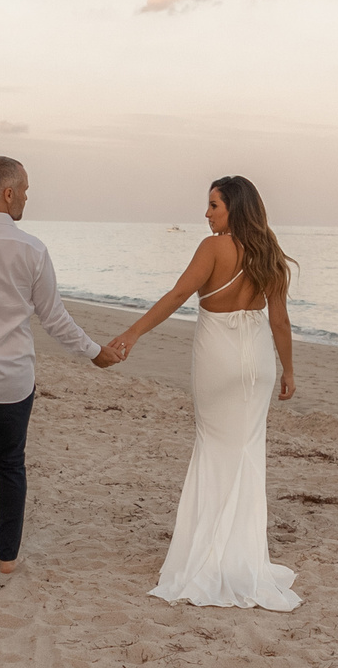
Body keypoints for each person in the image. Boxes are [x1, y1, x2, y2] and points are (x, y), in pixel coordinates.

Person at [0, 155, 121, 598]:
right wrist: (94, 353)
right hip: (13, 382)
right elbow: (55, 318)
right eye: (25, 189)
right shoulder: (32, 249)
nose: (28, 196)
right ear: (7, 192)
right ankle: (7, 557)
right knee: (11, 465)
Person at [100, 176, 300, 610]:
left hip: (219, 362)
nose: (207, 214)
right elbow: (280, 322)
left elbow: (177, 295)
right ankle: (244, 559)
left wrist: (132, 334)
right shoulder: (270, 252)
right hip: (259, 365)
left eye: (213, 205)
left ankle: (210, 559)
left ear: (235, 209)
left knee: (214, 450)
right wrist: (288, 370)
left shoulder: (214, 249)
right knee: (247, 453)